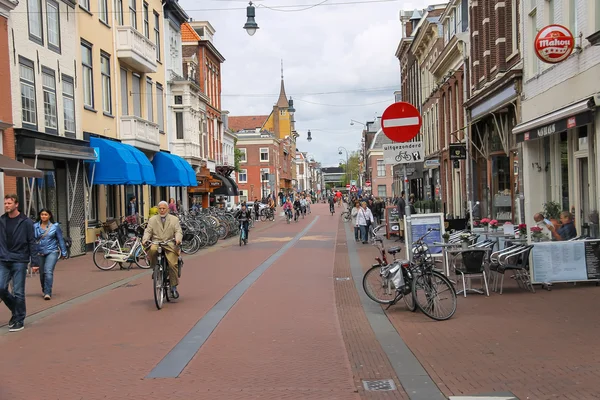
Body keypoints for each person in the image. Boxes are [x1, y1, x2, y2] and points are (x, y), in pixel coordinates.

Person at [0, 194, 36, 332]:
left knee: (18, 291)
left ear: (16, 204)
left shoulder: (26, 222)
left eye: (9, 203)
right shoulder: (2, 220)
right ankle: (16, 311)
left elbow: (31, 241)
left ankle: (19, 319)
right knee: (1, 288)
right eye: (5, 203)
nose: (7, 205)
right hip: (3, 259)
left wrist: (34, 261)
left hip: (20, 259)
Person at [143, 201, 183, 299]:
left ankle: (173, 287)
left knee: (173, 264)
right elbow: (148, 231)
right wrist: (145, 239)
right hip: (156, 242)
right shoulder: (152, 220)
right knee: (152, 250)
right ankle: (155, 268)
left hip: (169, 243)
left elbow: (178, 231)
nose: (161, 210)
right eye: (159, 208)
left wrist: (178, 239)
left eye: (163, 208)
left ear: (167, 209)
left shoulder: (174, 219)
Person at [32, 209, 68, 300]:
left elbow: (60, 239)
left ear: (49, 216)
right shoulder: (35, 226)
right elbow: (31, 240)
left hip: (52, 251)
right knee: (42, 274)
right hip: (39, 252)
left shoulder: (55, 226)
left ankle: (48, 292)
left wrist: (63, 252)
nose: (43, 216)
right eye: (42, 214)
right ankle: (44, 289)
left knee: (48, 271)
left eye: (45, 214)